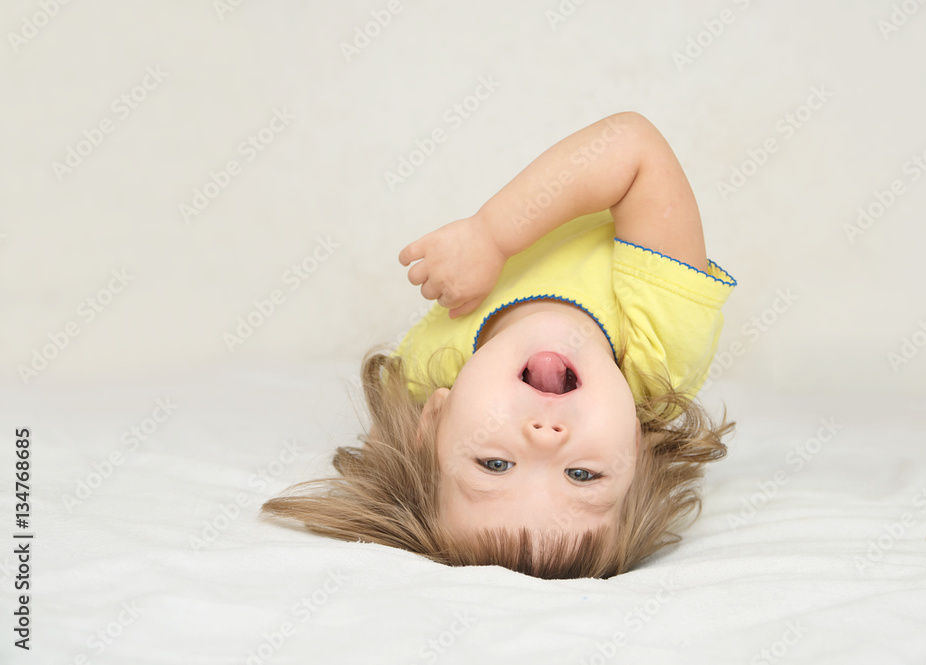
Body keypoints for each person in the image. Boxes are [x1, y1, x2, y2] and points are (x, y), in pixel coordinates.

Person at [262, 112, 737, 579]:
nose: (543, 436)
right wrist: (490, 235)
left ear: (433, 421)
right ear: (633, 443)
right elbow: (633, 146)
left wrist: (491, 233)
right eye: (582, 475)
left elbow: (387, 456)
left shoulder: (420, 375)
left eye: (495, 464)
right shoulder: (662, 342)